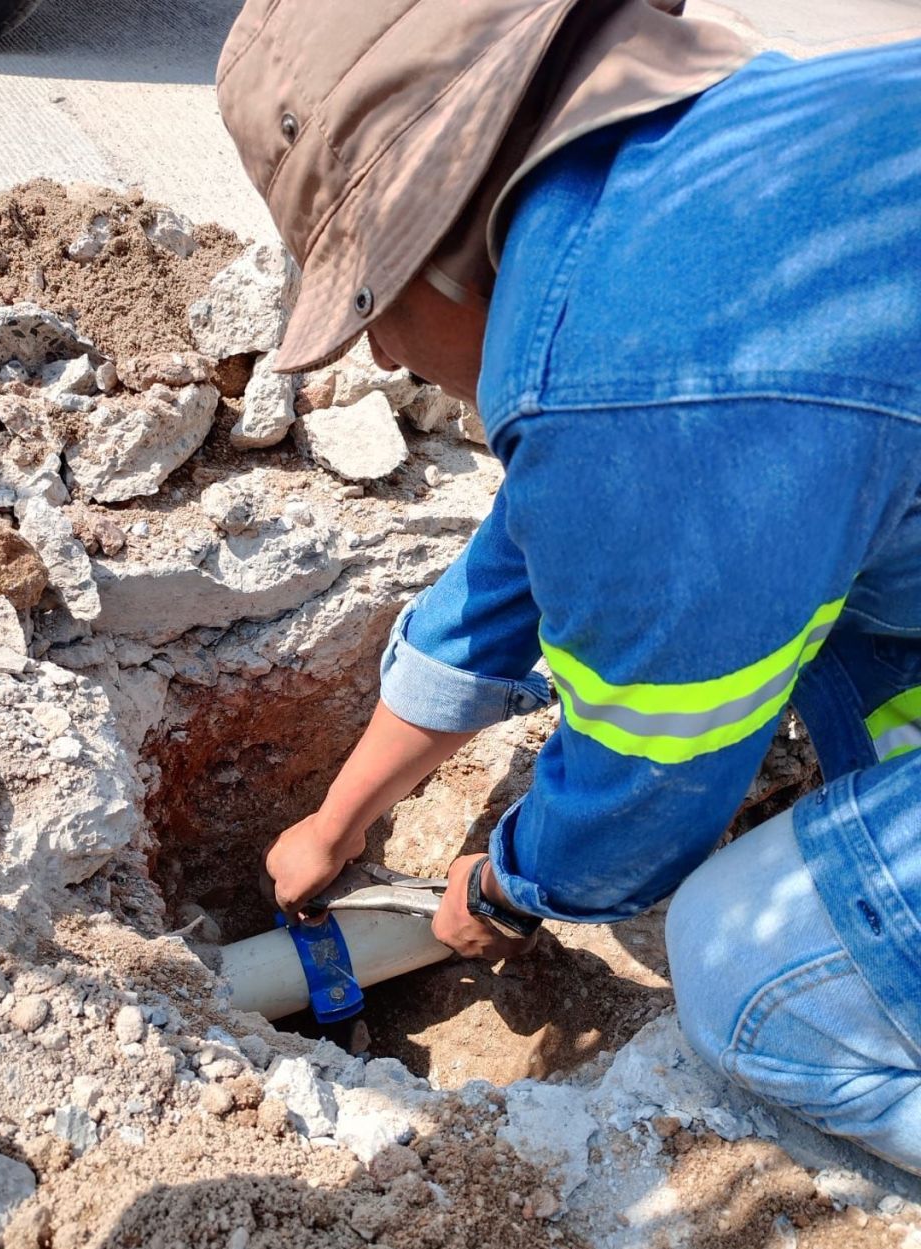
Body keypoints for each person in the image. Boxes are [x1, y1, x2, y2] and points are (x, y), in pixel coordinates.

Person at [216, 0, 921, 1174]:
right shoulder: (713, 183)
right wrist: (334, 824)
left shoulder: (635, 391)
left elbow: (648, 788)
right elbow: (506, 584)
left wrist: (508, 885)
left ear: (433, 235)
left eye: (368, 299)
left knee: (744, 969)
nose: (381, 351)